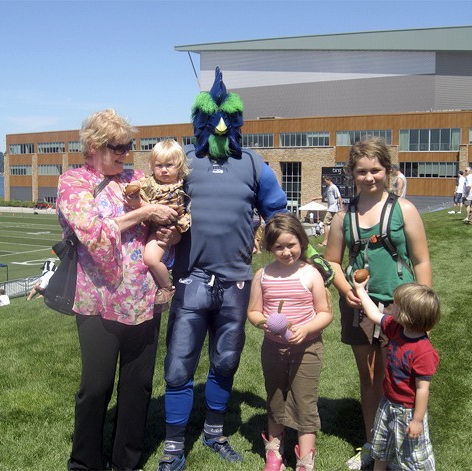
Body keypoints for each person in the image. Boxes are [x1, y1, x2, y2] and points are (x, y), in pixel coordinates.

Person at [157, 68, 287, 471]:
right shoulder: (185, 166)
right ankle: (174, 445)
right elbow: (157, 200)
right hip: (191, 281)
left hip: (235, 283)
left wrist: (307, 262)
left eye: (225, 118)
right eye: (209, 118)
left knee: (226, 361)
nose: (217, 125)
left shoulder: (253, 164)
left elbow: (279, 214)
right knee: (179, 365)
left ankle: (214, 432)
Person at [59, 108, 177, 471]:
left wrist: (166, 231)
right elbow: (91, 232)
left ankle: (126, 462)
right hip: (97, 300)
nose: (125, 154)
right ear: (94, 146)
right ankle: (85, 463)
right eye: (118, 147)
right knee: (95, 389)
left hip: (143, 299)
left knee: (138, 387)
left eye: (129, 146)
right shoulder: (74, 182)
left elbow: (163, 216)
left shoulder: (136, 177)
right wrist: (145, 213)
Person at [324, 136, 432, 470]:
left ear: (387, 170)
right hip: (359, 308)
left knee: (397, 375)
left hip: (399, 309)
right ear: (351, 173)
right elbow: (333, 262)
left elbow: (422, 261)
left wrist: (421, 310)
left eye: (376, 170)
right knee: (369, 376)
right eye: (361, 171)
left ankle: (403, 442)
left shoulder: (405, 209)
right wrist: (345, 290)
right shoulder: (344, 217)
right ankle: (374, 443)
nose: (369, 177)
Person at [247, 213, 333, 471]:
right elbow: (253, 312)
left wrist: (305, 329)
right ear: (269, 248)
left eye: (291, 245)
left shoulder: (311, 274)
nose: (286, 252)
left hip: (307, 348)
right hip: (273, 348)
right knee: (276, 396)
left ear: (302, 241)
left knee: (305, 400)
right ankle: (274, 450)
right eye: (279, 247)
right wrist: (265, 322)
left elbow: (326, 313)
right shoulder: (263, 275)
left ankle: (305, 458)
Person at [352, 279, 440, 470]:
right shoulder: (396, 328)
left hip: (407, 411)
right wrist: (360, 290)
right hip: (388, 403)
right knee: (381, 447)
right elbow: (374, 314)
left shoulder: (424, 351)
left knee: (414, 458)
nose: (391, 308)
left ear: (408, 315)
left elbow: (422, 389)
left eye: (396, 306)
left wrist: (417, 421)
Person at [124, 139, 191, 305]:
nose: (164, 170)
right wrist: (132, 189)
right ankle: (166, 284)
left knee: (151, 258)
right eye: (159, 166)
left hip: (171, 228)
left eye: (170, 165)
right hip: (155, 228)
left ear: (180, 166)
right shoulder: (150, 181)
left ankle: (167, 288)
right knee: (151, 258)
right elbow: (137, 184)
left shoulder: (184, 184)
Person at [314, 176, 342, 247]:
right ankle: (333, 240)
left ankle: (325, 241)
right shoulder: (328, 188)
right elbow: (323, 197)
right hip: (331, 208)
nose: (324, 182)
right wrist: (315, 198)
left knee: (325, 224)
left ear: (329, 180)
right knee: (333, 225)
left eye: (325, 181)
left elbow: (339, 197)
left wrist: (341, 208)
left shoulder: (333, 187)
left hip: (333, 209)